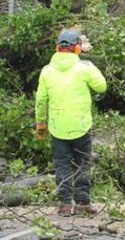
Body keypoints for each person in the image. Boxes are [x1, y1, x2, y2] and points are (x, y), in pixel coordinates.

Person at [35, 29, 107, 217]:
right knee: (82, 163)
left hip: (57, 127)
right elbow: (101, 86)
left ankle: (65, 204)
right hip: (81, 125)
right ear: (77, 48)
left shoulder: (47, 71)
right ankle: (83, 202)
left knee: (62, 164)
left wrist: (41, 123)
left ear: (58, 48)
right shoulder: (84, 68)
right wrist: (89, 63)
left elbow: (41, 101)